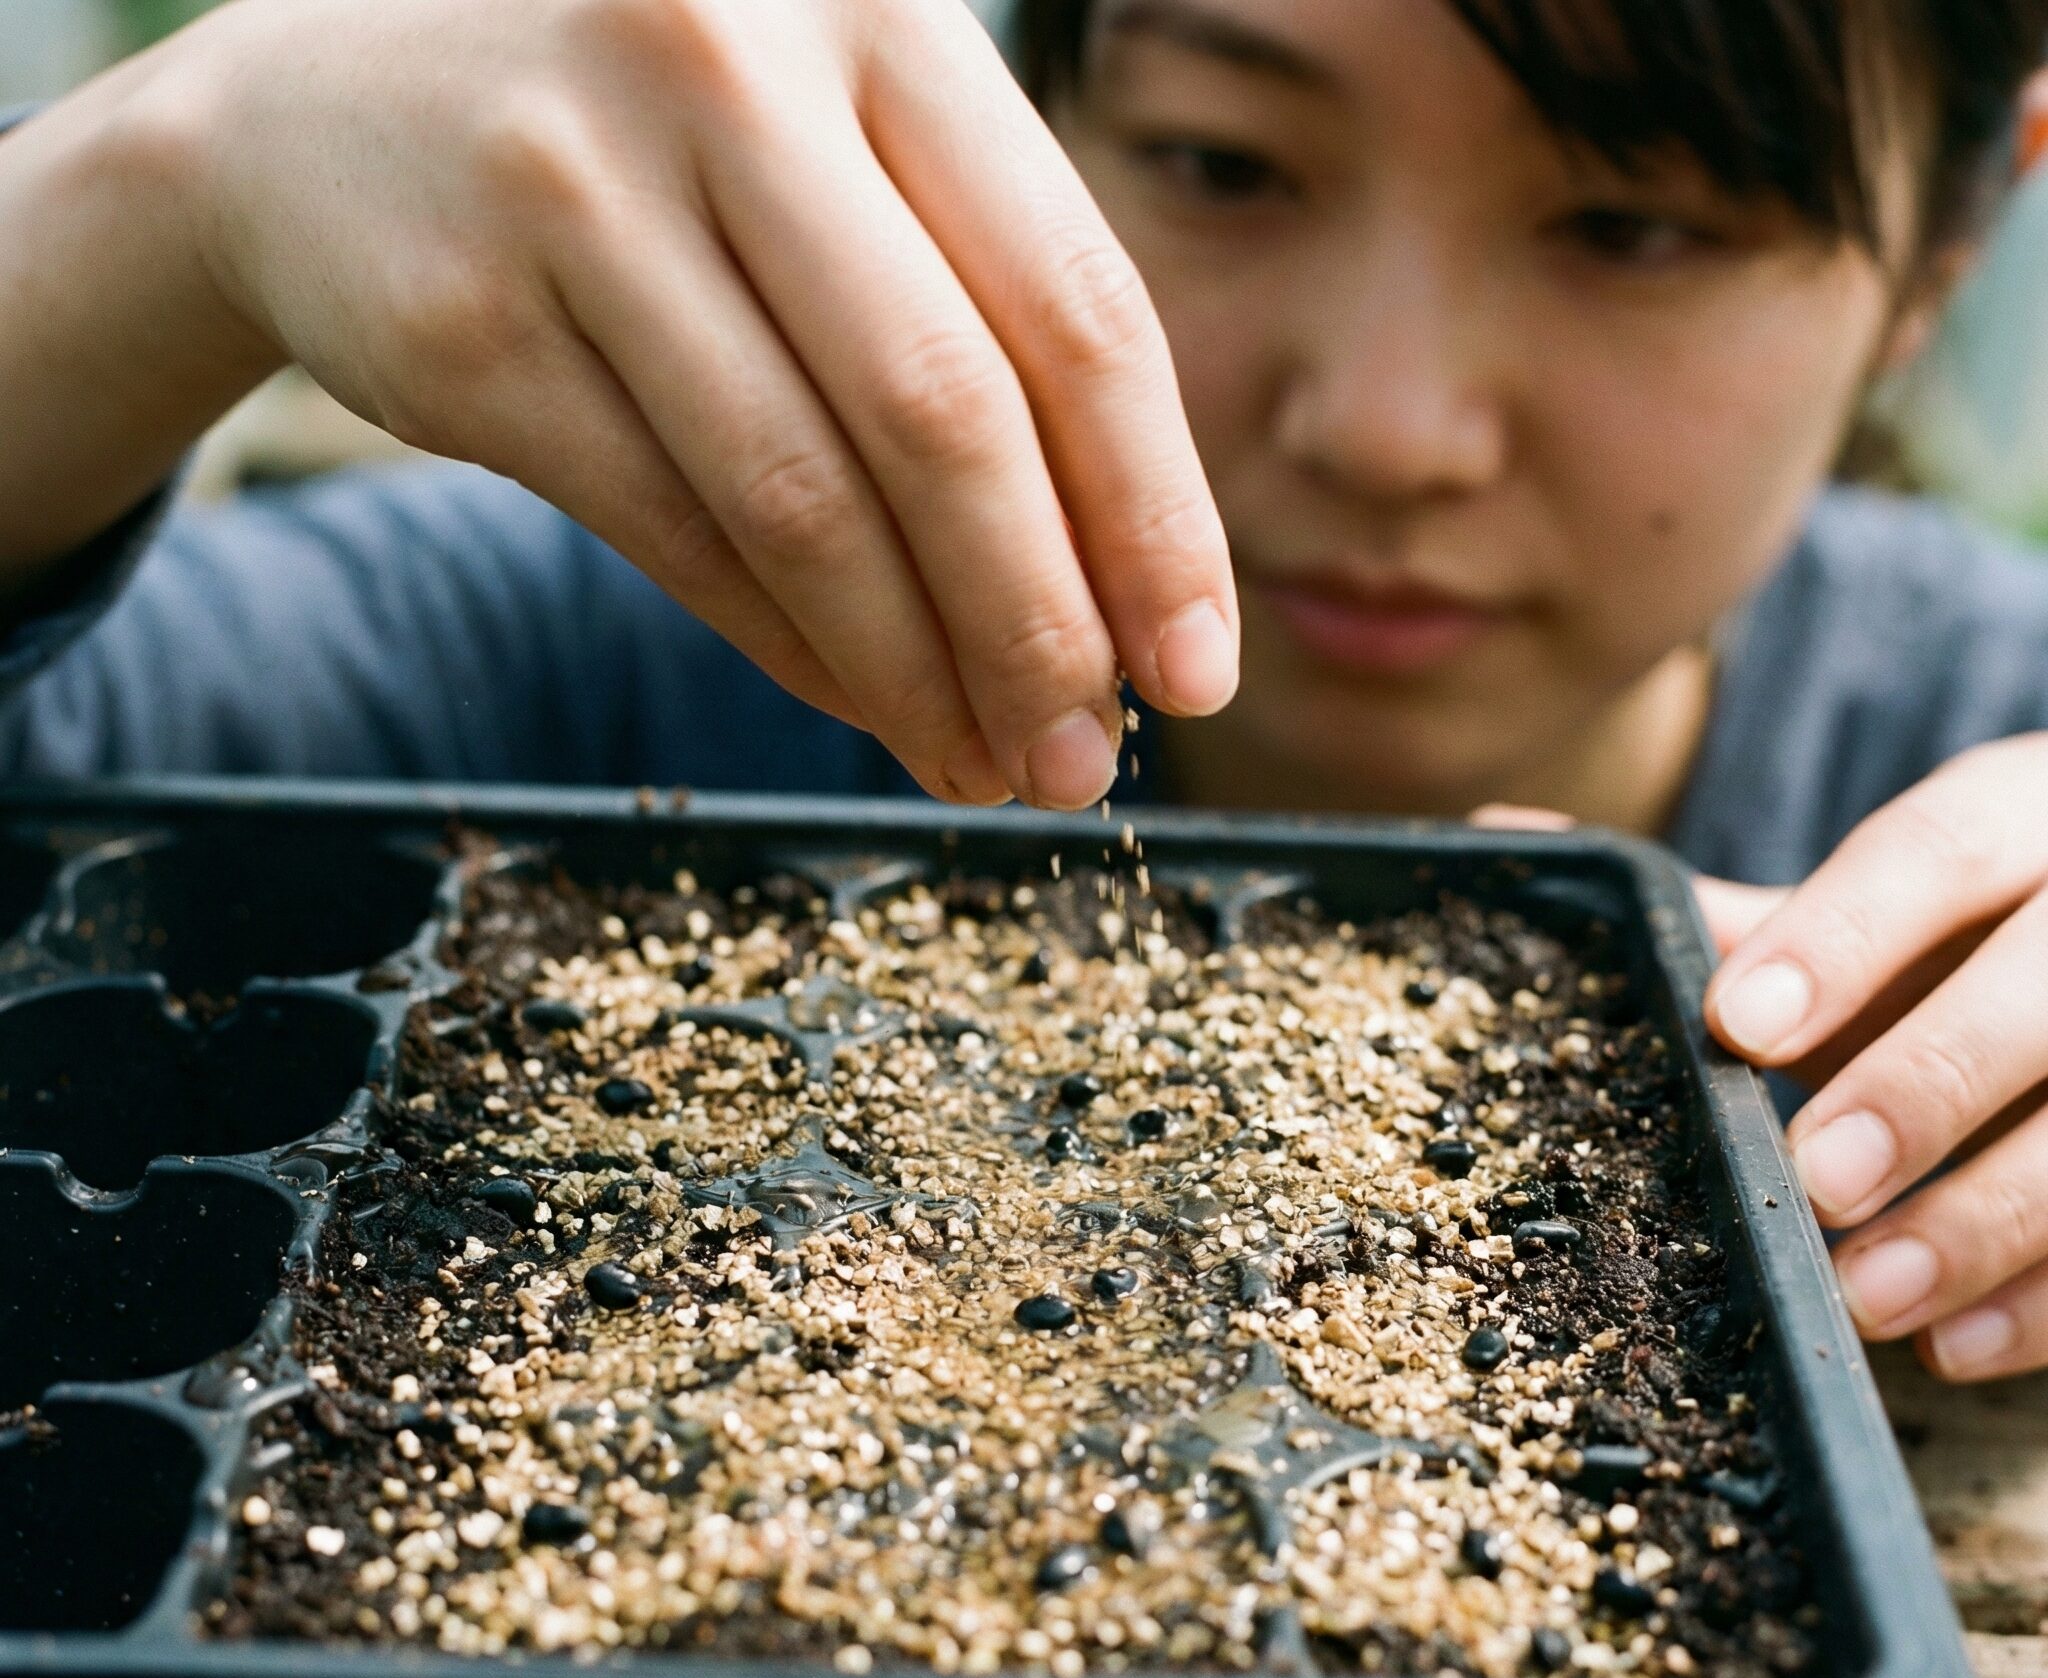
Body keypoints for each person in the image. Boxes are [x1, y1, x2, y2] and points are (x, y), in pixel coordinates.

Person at [2, 0, 2047, 1389]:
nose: (1391, 426)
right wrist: (163, 190)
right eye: (1225, 164)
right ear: (1023, 111)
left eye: (1638, 223)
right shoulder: (566, 651)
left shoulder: (1988, 734)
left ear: (1948, 246)